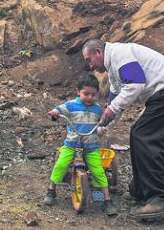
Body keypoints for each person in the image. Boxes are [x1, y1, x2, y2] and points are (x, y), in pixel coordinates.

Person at [82, 39, 164, 219]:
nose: (89, 65)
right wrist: (100, 130)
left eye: (89, 59)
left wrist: (112, 109)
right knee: (139, 134)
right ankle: (142, 189)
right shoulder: (113, 70)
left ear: (98, 52)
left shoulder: (119, 54)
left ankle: (162, 197)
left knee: (144, 136)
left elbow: (135, 85)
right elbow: (116, 103)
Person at [43, 73, 118, 216]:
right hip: (72, 145)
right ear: (78, 92)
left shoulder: (97, 109)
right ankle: (51, 190)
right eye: (86, 94)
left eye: (93, 95)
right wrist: (55, 112)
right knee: (61, 165)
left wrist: (104, 125)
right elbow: (60, 110)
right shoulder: (71, 105)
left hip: (91, 147)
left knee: (98, 171)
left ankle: (105, 200)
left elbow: (104, 121)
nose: (89, 97)